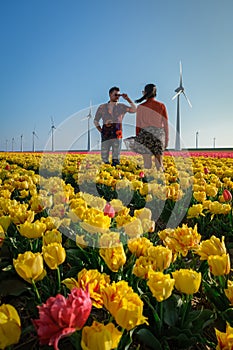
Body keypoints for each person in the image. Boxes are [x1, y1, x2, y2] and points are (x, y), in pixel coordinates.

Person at [124, 83, 169, 170]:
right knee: (159, 164)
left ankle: (147, 182)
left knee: (147, 164)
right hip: (158, 135)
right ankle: (161, 181)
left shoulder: (140, 107)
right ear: (155, 93)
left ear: (144, 93)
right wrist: (166, 139)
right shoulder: (161, 106)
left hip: (145, 135)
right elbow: (166, 124)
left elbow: (138, 126)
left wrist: (138, 139)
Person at [94, 86, 136, 166]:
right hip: (105, 135)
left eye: (119, 95)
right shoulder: (102, 107)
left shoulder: (122, 107)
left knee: (116, 159)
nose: (118, 97)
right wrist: (101, 130)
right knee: (104, 158)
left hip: (117, 135)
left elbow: (134, 110)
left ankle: (115, 175)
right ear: (110, 94)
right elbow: (96, 121)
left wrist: (128, 99)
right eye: (116, 95)